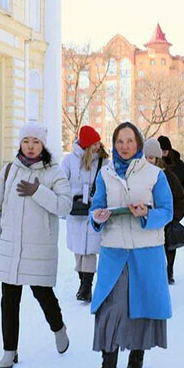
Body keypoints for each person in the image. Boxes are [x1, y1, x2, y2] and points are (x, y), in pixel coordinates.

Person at [87, 122, 174, 368]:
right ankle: (108, 367)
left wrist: (146, 213)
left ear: (138, 144)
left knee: (142, 305)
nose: (124, 147)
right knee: (110, 306)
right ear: (113, 145)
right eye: (119, 142)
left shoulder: (155, 175)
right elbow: (97, 206)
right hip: (114, 250)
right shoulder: (105, 173)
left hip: (146, 250)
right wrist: (98, 216)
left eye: (130, 141)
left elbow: (167, 211)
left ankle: (137, 357)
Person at [0, 123, 73, 368]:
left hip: (39, 247)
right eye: (26, 140)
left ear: (43, 144)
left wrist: (38, 191)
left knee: (43, 294)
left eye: (35, 141)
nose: (30, 146)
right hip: (11, 245)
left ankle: (59, 329)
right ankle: (9, 350)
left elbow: (64, 206)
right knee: (9, 300)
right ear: (20, 143)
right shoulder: (8, 171)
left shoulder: (53, 172)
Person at [61, 125, 108, 302]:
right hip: (75, 210)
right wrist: (73, 195)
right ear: (86, 145)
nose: (97, 147)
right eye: (94, 144)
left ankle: (86, 287)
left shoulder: (104, 162)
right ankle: (83, 283)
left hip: (94, 210)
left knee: (89, 251)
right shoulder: (69, 160)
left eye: (98, 143)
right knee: (79, 251)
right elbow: (61, 181)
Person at [144, 137, 184, 284]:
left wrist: (173, 217)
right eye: (145, 157)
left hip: (165, 220)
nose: (148, 160)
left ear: (157, 158)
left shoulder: (167, 175)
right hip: (145, 220)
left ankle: (167, 272)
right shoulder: (138, 174)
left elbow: (181, 197)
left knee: (168, 249)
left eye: (151, 158)